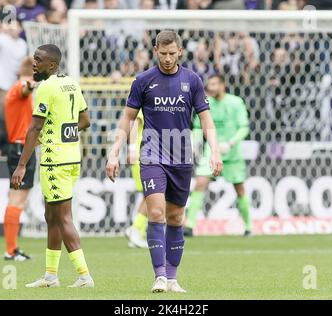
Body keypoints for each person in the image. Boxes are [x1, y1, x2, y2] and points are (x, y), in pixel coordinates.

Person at [106, 30, 222, 293]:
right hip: (152, 155)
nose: (168, 58)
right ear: (156, 50)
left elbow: (205, 118)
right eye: (163, 53)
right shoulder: (143, 80)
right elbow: (127, 118)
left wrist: (214, 151)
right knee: (156, 211)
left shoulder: (192, 80)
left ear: (180, 51)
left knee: (176, 217)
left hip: (181, 157)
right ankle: (159, 276)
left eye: (172, 53)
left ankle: (172, 278)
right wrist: (115, 151)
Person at [11, 44, 93, 288]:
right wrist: (65, 130)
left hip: (54, 159)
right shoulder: (71, 83)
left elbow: (35, 127)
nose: (34, 63)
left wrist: (21, 165)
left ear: (52, 65)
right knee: (51, 216)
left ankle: (84, 275)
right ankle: (50, 276)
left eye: (38, 60)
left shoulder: (46, 88)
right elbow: (85, 120)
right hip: (71, 157)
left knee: (63, 217)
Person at [185, 74, 251, 237]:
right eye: (209, 85)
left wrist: (231, 143)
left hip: (232, 152)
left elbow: (244, 127)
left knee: (240, 189)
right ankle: (189, 226)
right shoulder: (206, 103)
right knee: (200, 183)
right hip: (211, 151)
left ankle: (249, 226)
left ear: (222, 85)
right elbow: (198, 127)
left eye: (214, 84)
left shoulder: (236, 102)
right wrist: (194, 143)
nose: (211, 88)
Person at [2, 57, 36, 261]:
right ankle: (10, 250)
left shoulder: (15, 89)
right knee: (17, 199)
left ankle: (12, 248)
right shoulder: (20, 87)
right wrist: (31, 85)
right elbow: (25, 88)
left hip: (19, 148)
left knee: (16, 199)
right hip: (20, 149)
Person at [124, 110, 148, 249]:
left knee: (148, 195)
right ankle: (135, 229)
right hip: (142, 155)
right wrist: (132, 149)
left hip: (148, 154)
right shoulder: (143, 99)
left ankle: (137, 231)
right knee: (153, 195)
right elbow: (133, 123)